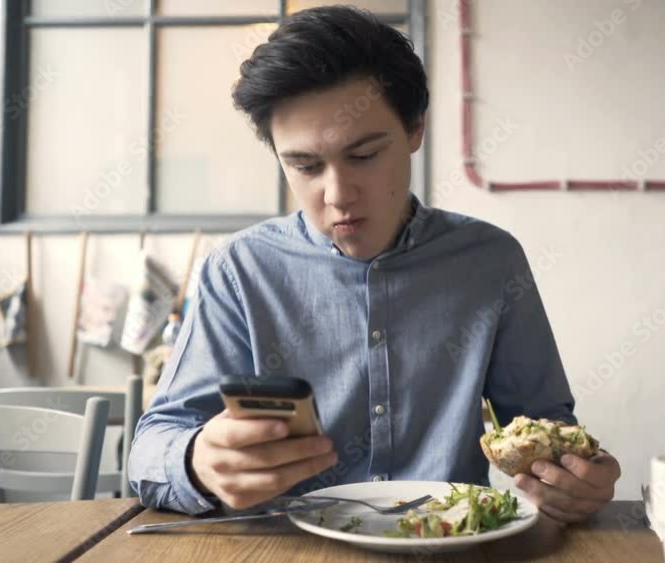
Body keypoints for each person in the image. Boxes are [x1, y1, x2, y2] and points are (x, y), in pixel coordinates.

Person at [128, 5, 620, 526]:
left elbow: (546, 428)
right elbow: (151, 448)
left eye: (363, 155)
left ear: (414, 130)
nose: (337, 195)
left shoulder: (492, 262)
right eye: (305, 165)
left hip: (449, 547)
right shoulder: (238, 271)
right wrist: (197, 460)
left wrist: (577, 477)